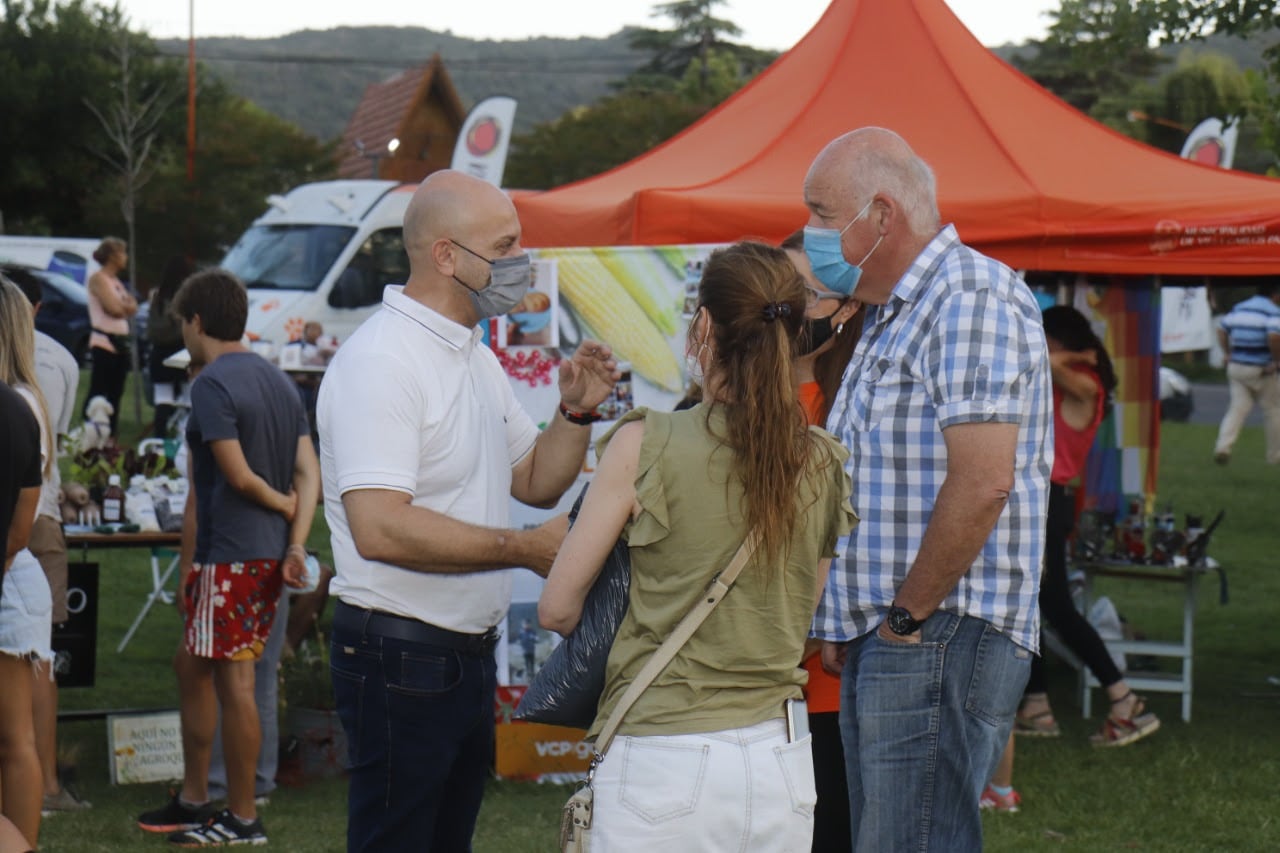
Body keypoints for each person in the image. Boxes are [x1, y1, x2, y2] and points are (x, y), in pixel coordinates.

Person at [317, 169, 619, 852]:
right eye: (506, 245)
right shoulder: (384, 361)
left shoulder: (472, 358)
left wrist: (575, 411)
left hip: (456, 657)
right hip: (400, 652)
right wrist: (522, 548)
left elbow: (536, 479)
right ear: (447, 255)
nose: (522, 263)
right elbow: (379, 526)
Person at [539, 241, 855, 849]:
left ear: (704, 326)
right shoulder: (822, 461)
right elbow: (810, 623)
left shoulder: (644, 444)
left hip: (660, 753)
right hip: (778, 762)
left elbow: (556, 608)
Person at [805, 128, 1053, 851]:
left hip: (939, 627)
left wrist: (905, 617)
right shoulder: (897, 312)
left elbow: (983, 480)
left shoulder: (967, 295)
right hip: (906, 629)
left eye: (823, 213)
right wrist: (857, 617)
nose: (811, 233)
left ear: (881, 214)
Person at [137, 269, 319, 847]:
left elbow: (238, 476)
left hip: (233, 557)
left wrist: (278, 503)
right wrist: (295, 537)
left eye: (181, 326)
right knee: (191, 666)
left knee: (236, 683)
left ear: (196, 322)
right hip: (261, 557)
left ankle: (241, 817)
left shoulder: (212, 384)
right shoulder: (279, 381)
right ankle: (195, 798)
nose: (182, 338)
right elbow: (310, 472)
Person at [1013, 305, 1160, 746]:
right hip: (1038, 501)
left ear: (1060, 340)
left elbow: (1029, 354)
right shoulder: (1066, 377)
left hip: (1048, 502)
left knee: (1056, 608)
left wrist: (1069, 359)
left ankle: (1124, 699)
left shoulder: (1085, 386)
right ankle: (1037, 705)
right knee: (1028, 606)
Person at [781, 229, 863, 852]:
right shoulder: (711, 410)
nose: (786, 308)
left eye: (806, 294)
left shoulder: (847, 414)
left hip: (821, 692)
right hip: (731, 691)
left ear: (847, 310)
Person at [7, 268, 89, 813]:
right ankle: (46, 787)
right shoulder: (50, 370)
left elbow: (22, 500)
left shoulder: (14, 399)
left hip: (24, 528)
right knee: (36, 657)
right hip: (38, 520)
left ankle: (42, 788)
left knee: (34, 660)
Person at [0, 276, 56, 850]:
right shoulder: (22, 397)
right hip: (16, 574)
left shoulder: (17, 402)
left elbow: (19, 526)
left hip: (11, 579)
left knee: (15, 740)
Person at [1212, 281, 1280, 465]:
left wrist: (1227, 353)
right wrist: (1276, 361)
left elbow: (1221, 329)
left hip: (1237, 367)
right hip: (1261, 369)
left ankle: (1222, 447)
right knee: (1272, 411)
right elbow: (1274, 336)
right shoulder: (1273, 312)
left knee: (1237, 409)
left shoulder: (1240, 308)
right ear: (1275, 294)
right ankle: (1275, 456)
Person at [84, 237, 138, 435]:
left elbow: (133, 305)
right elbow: (113, 308)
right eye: (122, 253)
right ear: (112, 256)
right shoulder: (98, 279)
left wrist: (125, 307)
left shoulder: (116, 283)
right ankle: (91, 430)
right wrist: (125, 307)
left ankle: (110, 434)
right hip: (104, 341)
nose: (126, 258)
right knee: (100, 388)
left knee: (116, 391)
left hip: (120, 343)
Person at [147, 256, 194, 439]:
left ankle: (160, 440)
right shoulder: (186, 297)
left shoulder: (157, 296)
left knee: (162, 398)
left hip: (159, 353)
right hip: (182, 352)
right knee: (189, 398)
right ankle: (185, 438)